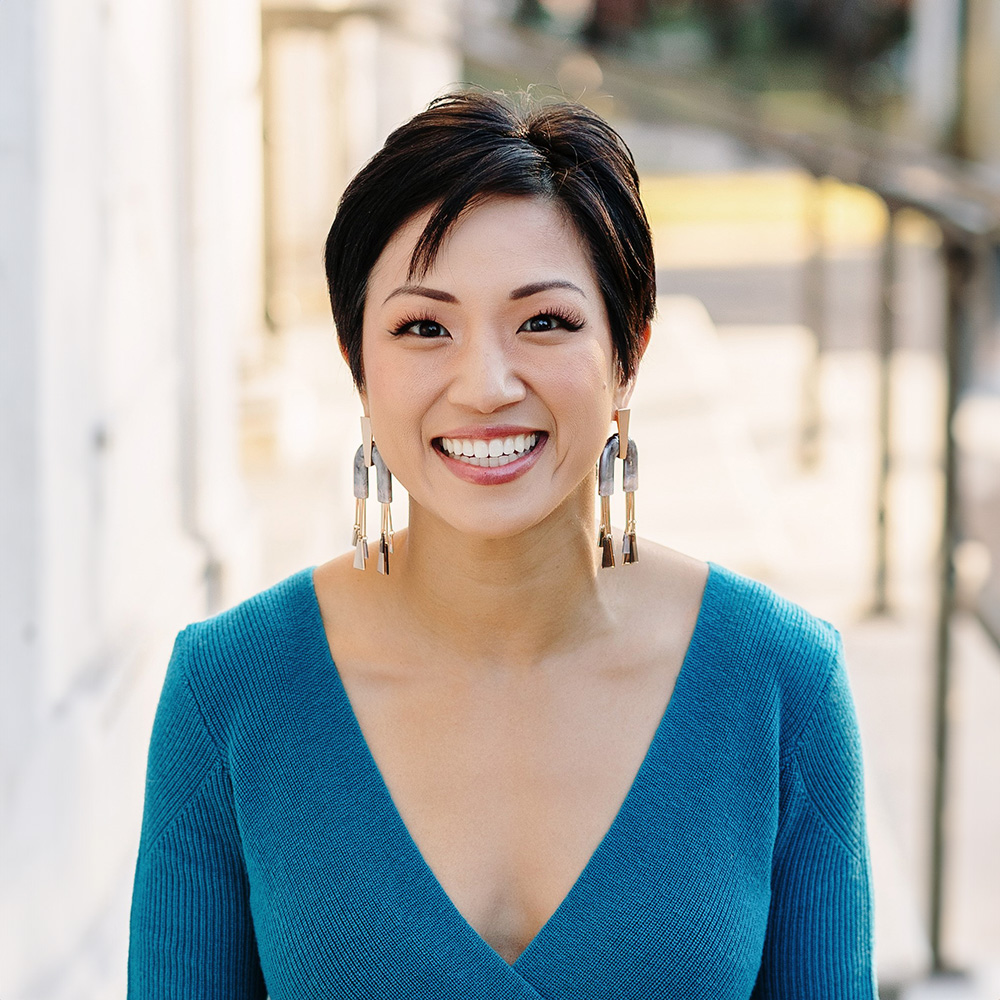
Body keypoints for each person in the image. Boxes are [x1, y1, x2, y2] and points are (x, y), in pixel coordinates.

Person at [128, 90, 876, 998]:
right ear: (356, 365)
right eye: (423, 327)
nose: (484, 385)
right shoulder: (229, 696)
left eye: (545, 321)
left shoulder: (780, 686)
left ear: (628, 352)